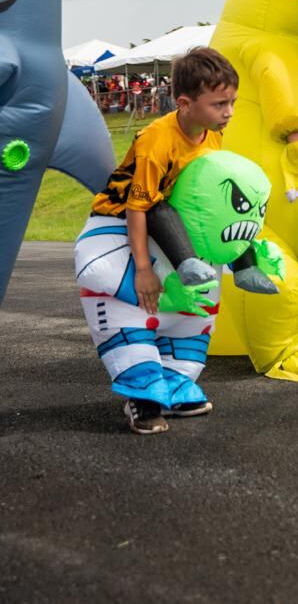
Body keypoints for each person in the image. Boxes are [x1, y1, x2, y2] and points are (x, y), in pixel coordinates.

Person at [85, 47, 238, 434]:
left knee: (189, 312)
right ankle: (142, 395)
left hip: (171, 229)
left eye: (232, 102)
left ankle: (176, 380)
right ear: (185, 103)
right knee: (135, 310)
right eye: (219, 103)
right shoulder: (158, 140)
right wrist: (141, 269)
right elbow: (141, 208)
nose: (229, 112)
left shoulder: (212, 137)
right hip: (123, 220)